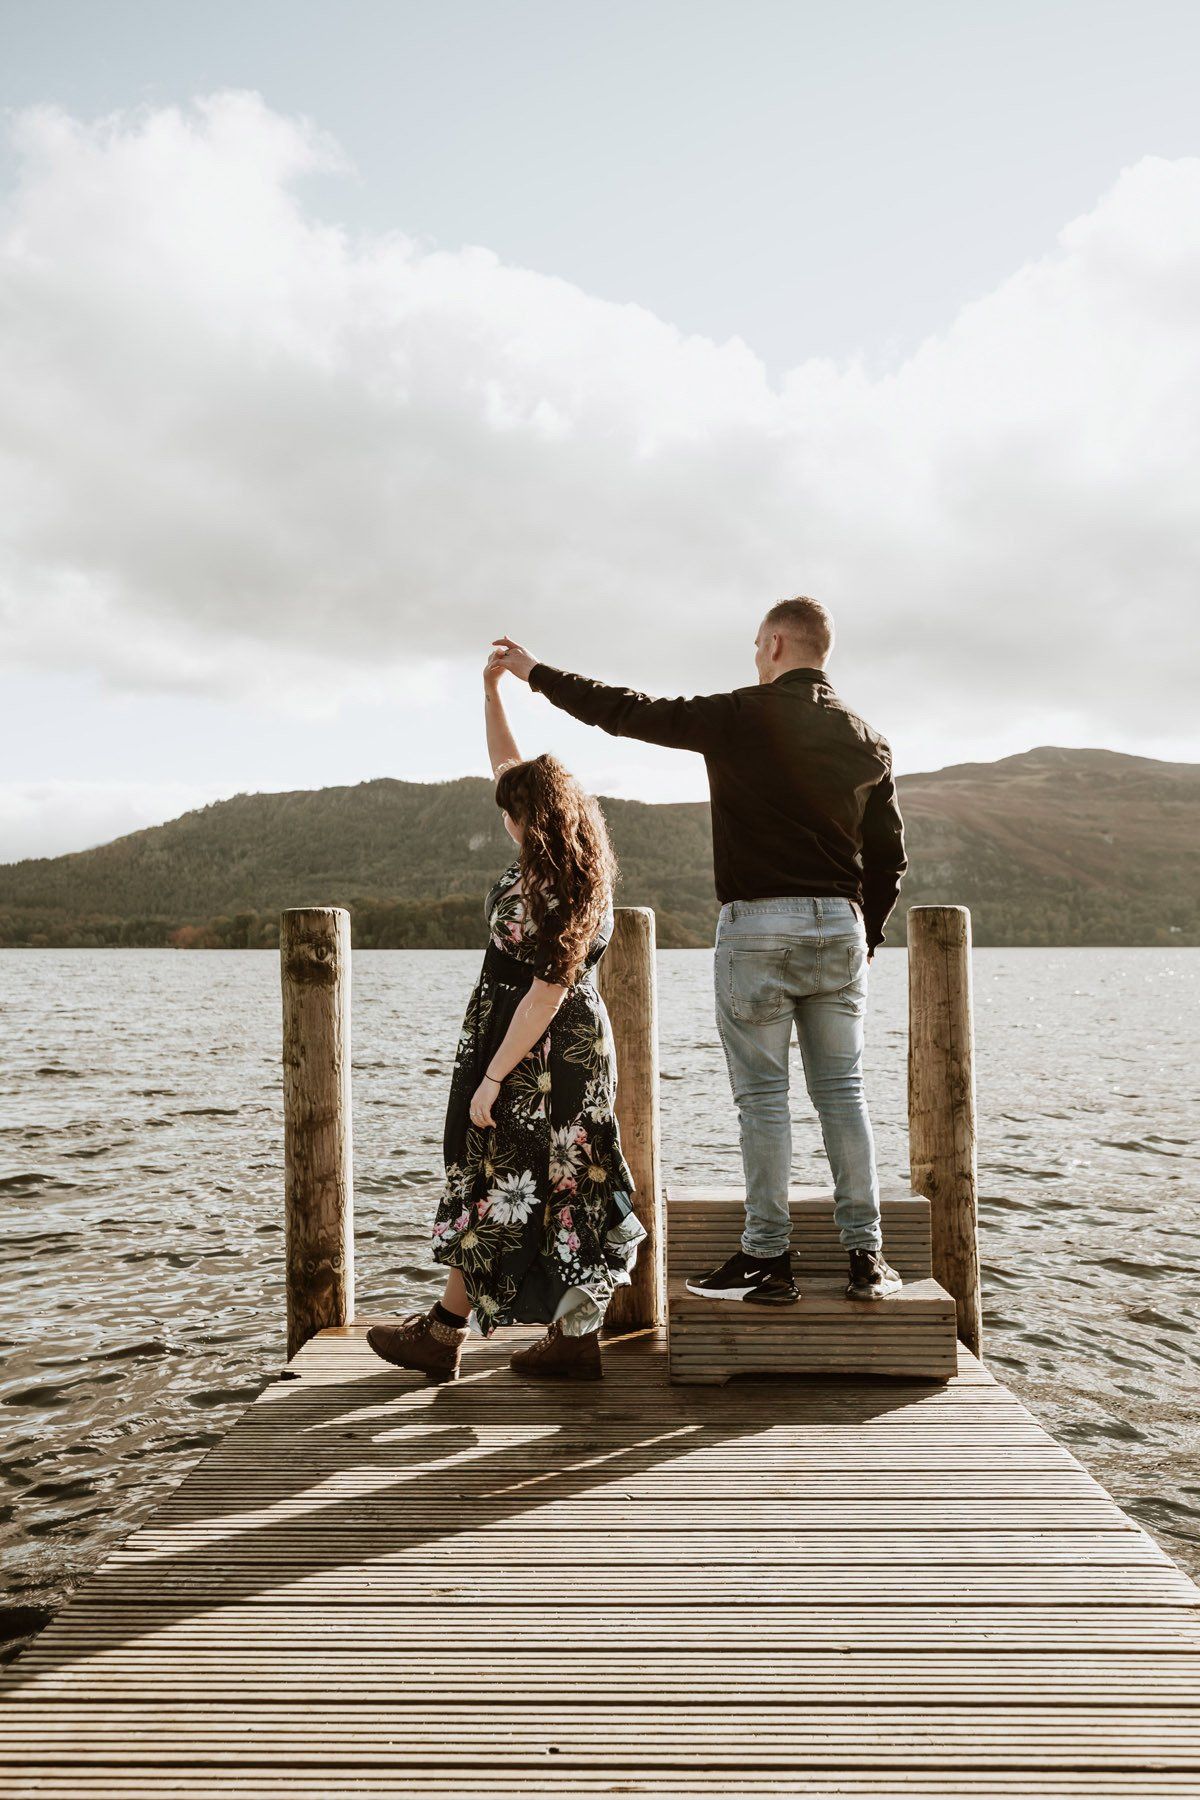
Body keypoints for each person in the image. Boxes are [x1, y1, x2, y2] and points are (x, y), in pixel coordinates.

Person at [490, 596, 907, 1306]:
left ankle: (768, 1261)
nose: (753, 654)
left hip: (758, 930)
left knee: (764, 1100)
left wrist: (533, 673)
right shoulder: (868, 740)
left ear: (777, 644)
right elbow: (888, 860)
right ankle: (866, 1259)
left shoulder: (742, 715)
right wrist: (863, 938)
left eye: (755, 644)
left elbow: (626, 711)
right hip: (839, 926)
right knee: (844, 1095)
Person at [367, 648, 645, 1383]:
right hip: (572, 1048)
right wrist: (493, 690)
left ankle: (448, 1333)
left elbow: (546, 991)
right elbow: (506, 770)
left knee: (499, 1178)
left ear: (531, 821)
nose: (503, 819)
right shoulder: (584, 875)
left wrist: (493, 1076)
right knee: (561, 1181)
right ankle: (532, 1334)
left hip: (534, 1050)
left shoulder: (545, 891)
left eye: (511, 814)